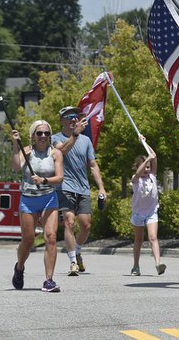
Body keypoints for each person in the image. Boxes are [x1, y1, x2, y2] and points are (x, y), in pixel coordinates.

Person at [10, 120, 64, 292]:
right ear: (32, 136)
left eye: (46, 133)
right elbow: (16, 166)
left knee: (51, 237)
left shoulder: (55, 153)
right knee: (29, 239)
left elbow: (60, 178)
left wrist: (44, 180)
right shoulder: (26, 152)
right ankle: (19, 267)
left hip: (48, 198)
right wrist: (14, 144)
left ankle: (49, 280)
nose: (43, 136)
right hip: (28, 199)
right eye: (39, 133)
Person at [52, 106, 106, 276]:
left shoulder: (86, 141)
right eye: (69, 116)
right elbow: (61, 151)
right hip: (64, 186)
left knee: (86, 225)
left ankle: (78, 250)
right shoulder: (55, 138)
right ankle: (73, 262)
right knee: (69, 222)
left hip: (82, 187)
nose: (73, 119)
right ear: (62, 121)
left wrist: (101, 188)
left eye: (75, 116)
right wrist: (75, 135)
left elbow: (93, 165)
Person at [130, 136, 166, 276]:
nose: (146, 169)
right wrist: (146, 160)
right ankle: (136, 265)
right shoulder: (135, 179)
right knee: (138, 239)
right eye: (144, 167)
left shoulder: (152, 176)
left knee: (153, 237)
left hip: (151, 212)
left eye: (148, 167)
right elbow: (139, 172)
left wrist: (144, 142)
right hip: (138, 213)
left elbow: (154, 157)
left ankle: (158, 264)